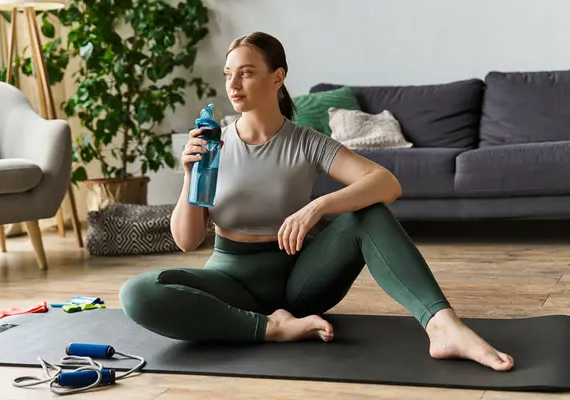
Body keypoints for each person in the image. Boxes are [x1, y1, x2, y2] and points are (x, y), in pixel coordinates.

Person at [120, 31, 514, 372]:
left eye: (246, 72)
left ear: (278, 78)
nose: (234, 84)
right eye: (229, 74)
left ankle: (442, 326)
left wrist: (318, 206)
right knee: (138, 293)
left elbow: (386, 183)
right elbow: (187, 241)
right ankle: (272, 329)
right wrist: (191, 175)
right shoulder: (213, 144)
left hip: (300, 281)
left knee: (369, 213)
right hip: (230, 282)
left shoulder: (306, 141)